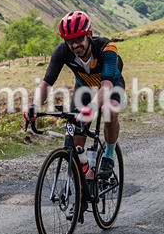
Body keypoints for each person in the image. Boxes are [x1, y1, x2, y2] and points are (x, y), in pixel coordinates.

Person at [25, 11, 125, 181]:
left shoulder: (107, 48)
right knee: (74, 144)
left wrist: (92, 109)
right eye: (70, 41)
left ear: (89, 35)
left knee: (109, 110)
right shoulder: (62, 51)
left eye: (79, 39)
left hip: (110, 85)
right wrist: (34, 106)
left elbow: (106, 86)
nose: (75, 45)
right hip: (84, 89)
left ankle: (108, 156)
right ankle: (80, 185)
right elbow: (46, 83)